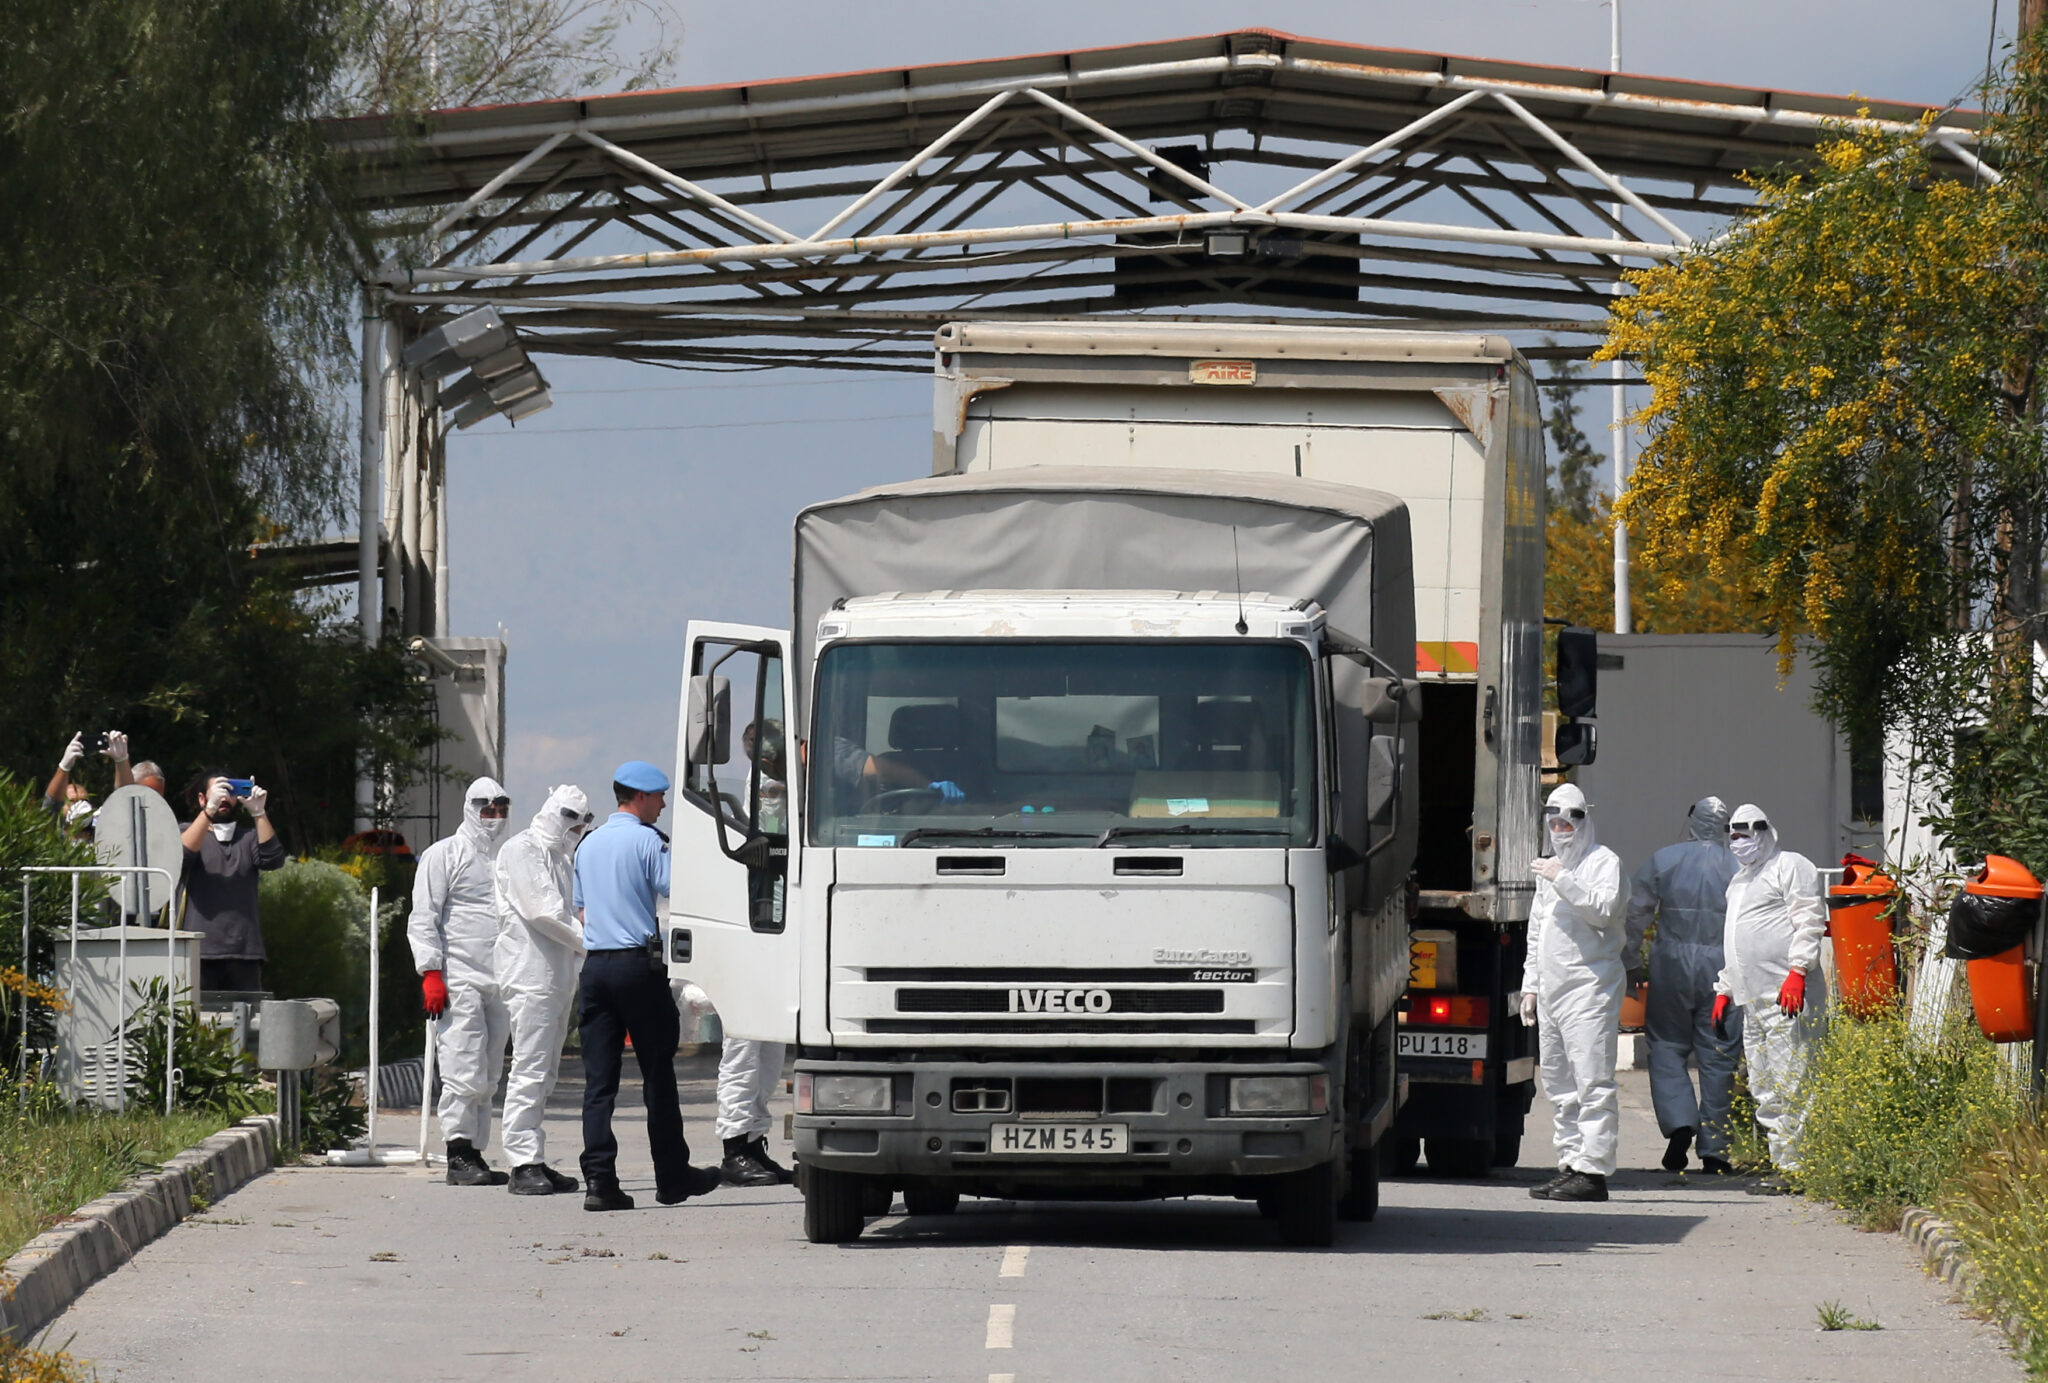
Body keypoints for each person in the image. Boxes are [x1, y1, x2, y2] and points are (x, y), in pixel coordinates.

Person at [573, 760, 722, 1212]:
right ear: (639, 797)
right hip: (637, 967)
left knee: (599, 1083)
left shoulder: (588, 844)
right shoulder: (648, 842)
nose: (661, 805)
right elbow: (676, 890)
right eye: (659, 797)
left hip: (595, 968)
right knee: (658, 1073)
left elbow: (581, 911)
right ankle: (673, 1177)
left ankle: (599, 1183)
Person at [1521, 782, 1630, 1203]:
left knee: (1592, 1082)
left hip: (1589, 988)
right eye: (1555, 821)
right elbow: (1537, 932)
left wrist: (1563, 879)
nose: (1562, 829)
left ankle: (1594, 1170)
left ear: (1585, 820)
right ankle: (1570, 1163)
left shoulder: (1604, 863)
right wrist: (1531, 985)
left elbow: (1603, 912)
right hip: (1552, 990)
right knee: (1559, 1083)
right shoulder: (1549, 869)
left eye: (1569, 821)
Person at [1625, 796, 1742, 1175]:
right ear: (1726, 827)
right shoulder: (1740, 866)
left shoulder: (1664, 859)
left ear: (1692, 821)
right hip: (1722, 971)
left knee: (1667, 1049)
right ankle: (1715, 1150)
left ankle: (1679, 1124)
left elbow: (1635, 912)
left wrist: (1629, 961)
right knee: (1718, 1055)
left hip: (1671, 967)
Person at [408, 777, 515, 1187]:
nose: (494, 818)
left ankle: (475, 1152)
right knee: (461, 1068)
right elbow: (423, 917)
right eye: (487, 810)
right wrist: (431, 973)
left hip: (499, 978)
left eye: (500, 810)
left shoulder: (504, 860)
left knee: (488, 1074)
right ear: (471, 808)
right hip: (458, 979)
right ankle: (457, 1152)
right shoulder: (443, 855)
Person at [1713, 804, 1828, 1181]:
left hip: (1786, 997)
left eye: (1747, 834)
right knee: (1765, 1085)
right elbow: (1735, 940)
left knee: (1794, 1080)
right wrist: (1725, 989)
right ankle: (1783, 1162)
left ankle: (1800, 1167)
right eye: (1734, 835)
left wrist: (1798, 971)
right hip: (1752, 1000)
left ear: (1765, 831)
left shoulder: (1790, 866)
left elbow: (1809, 921)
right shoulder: (1740, 882)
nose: (1740, 842)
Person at [495, 784, 592, 1196]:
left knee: (546, 1071)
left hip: (556, 978)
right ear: (553, 811)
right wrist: (595, 941)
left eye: (582, 822)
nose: (576, 828)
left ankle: (533, 1154)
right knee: (530, 1067)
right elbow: (544, 911)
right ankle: (521, 1161)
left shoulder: (560, 859)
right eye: (570, 818)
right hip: (530, 976)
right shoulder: (522, 850)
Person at [717, 721, 794, 1188]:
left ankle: (754, 1142)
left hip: (780, 932)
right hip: (753, 925)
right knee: (743, 1047)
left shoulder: (792, 791)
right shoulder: (759, 795)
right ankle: (733, 1147)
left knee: (770, 1050)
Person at [177, 770, 286, 994]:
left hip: (244, 952)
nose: (225, 798)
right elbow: (181, 856)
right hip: (199, 951)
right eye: (218, 791)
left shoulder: (248, 838)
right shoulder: (187, 832)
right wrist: (209, 811)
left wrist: (259, 812)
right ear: (202, 798)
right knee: (197, 1023)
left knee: (246, 1023)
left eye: (230, 792)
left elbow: (273, 859)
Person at [44, 730, 135, 820]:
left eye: (84, 800)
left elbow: (125, 803)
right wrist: (64, 767)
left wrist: (122, 760)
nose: (79, 805)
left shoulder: (99, 829)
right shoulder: (54, 832)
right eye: (72, 801)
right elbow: (51, 805)